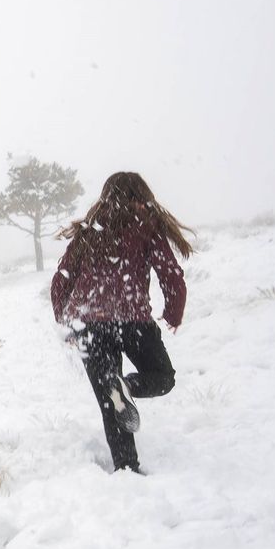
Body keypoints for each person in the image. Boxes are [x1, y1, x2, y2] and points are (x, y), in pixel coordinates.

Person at [51, 173, 191, 474]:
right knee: (162, 377)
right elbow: (172, 275)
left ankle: (127, 466)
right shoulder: (146, 224)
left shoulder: (89, 230)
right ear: (142, 194)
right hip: (132, 320)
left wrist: (65, 323)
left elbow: (61, 281)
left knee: (109, 401)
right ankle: (125, 386)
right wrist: (173, 313)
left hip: (87, 322)